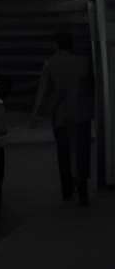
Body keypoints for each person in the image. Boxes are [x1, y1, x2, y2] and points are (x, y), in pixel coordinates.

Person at [32, 29, 95, 204]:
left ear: (57, 45)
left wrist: (35, 114)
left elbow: (43, 91)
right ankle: (82, 185)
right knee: (82, 150)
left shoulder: (51, 63)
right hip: (81, 112)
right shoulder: (84, 62)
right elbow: (91, 87)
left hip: (60, 114)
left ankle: (67, 188)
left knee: (64, 151)